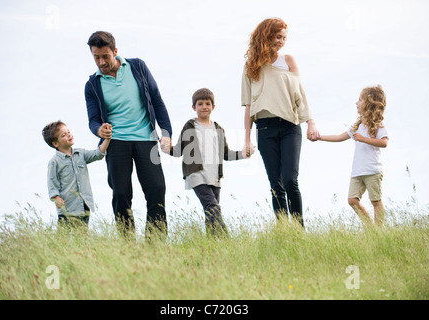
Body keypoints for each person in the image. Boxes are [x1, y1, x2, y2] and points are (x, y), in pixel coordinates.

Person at [84, 31, 172, 240]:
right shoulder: (92, 85)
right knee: (121, 193)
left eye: (105, 56)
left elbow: (157, 100)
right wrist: (99, 130)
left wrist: (166, 133)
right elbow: (93, 119)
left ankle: (156, 244)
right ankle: (128, 246)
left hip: (146, 139)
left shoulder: (138, 67)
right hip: (116, 143)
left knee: (157, 188)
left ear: (115, 51)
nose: (101, 62)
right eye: (96, 57)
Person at [241, 18, 319, 226]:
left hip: (290, 127)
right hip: (265, 128)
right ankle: (284, 231)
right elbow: (248, 106)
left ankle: (299, 229)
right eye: (278, 37)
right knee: (275, 184)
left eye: (284, 38)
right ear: (266, 35)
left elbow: (299, 94)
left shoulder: (288, 61)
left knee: (290, 180)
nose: (281, 41)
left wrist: (310, 122)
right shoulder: (251, 66)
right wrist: (247, 140)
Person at [165, 88, 249, 236]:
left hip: (215, 177)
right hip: (197, 175)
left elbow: (226, 154)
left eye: (208, 103)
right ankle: (228, 242)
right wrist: (167, 148)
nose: (204, 106)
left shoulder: (219, 130)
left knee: (210, 213)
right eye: (200, 104)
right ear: (194, 107)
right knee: (213, 207)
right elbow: (178, 151)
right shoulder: (190, 126)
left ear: (213, 107)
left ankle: (210, 246)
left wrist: (242, 154)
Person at [318, 85, 388, 226]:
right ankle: (370, 228)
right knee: (352, 200)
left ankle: (379, 232)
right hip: (357, 171)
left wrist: (363, 139)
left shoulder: (378, 125)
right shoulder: (357, 126)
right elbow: (339, 137)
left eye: (360, 100)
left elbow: (384, 142)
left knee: (375, 201)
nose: (357, 103)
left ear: (369, 103)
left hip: (372, 170)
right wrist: (319, 137)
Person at [43, 120, 111, 228]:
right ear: (56, 143)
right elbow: (52, 181)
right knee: (63, 238)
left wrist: (107, 138)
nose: (69, 135)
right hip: (67, 208)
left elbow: (98, 154)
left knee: (82, 235)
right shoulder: (54, 161)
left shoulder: (81, 154)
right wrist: (56, 197)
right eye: (64, 135)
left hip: (84, 205)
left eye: (69, 132)